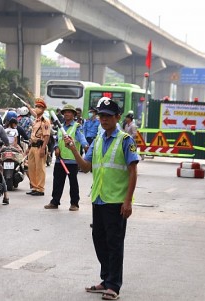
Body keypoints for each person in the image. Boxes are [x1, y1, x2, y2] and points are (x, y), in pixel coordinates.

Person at [63, 98, 138, 300]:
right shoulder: (97, 141)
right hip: (98, 199)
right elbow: (85, 168)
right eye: (101, 116)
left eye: (107, 116)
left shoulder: (125, 141)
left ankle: (114, 285)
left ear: (117, 117)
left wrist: (128, 201)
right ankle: (106, 279)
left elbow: (133, 172)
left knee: (114, 244)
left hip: (116, 201)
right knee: (100, 240)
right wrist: (73, 149)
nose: (103, 119)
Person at [44, 104, 88, 211]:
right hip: (60, 160)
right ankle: (55, 202)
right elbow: (57, 139)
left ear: (73, 114)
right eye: (65, 112)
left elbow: (82, 139)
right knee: (57, 182)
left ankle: (74, 204)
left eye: (69, 112)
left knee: (73, 183)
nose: (67, 114)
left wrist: (86, 147)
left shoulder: (77, 126)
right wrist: (56, 147)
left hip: (72, 161)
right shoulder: (60, 126)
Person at [25, 98, 51, 196]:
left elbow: (47, 136)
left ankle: (40, 189)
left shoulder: (45, 121)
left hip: (40, 146)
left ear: (44, 109)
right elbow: (34, 114)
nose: (37, 108)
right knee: (31, 167)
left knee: (40, 168)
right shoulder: (37, 119)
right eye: (36, 106)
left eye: (40, 107)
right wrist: (28, 107)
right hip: (33, 146)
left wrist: (43, 148)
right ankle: (34, 187)